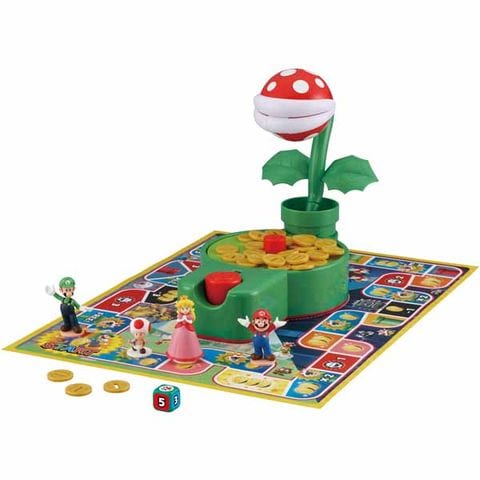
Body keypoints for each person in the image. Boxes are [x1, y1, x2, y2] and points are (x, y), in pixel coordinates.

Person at [167, 295, 203, 364]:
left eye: (187, 308)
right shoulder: (180, 315)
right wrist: (182, 319)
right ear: (179, 309)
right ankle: (177, 355)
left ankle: (191, 355)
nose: (185, 310)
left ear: (190, 308)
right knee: (178, 341)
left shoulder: (190, 316)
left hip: (188, 330)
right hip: (180, 330)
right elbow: (178, 320)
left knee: (191, 341)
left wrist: (186, 319)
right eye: (182, 309)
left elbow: (190, 321)